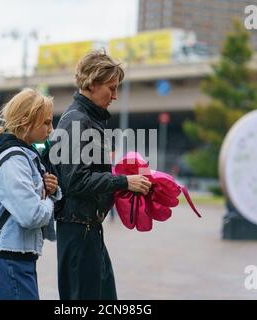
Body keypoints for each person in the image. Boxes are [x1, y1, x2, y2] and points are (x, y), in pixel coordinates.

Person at [52, 49, 152, 300]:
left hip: (88, 230)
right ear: (92, 83)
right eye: (111, 87)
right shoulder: (77, 121)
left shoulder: (88, 119)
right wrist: (124, 181)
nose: (115, 96)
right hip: (78, 231)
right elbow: (75, 180)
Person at [0, 88, 61, 300]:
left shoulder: (24, 154)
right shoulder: (14, 161)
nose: (51, 129)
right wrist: (48, 197)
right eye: (46, 122)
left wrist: (50, 189)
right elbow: (31, 215)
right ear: (26, 122)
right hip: (10, 259)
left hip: (17, 257)